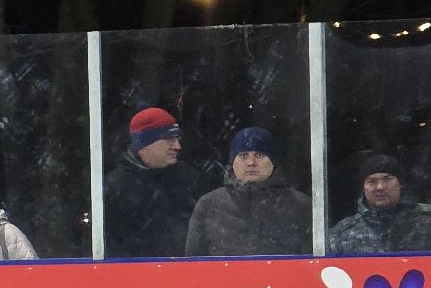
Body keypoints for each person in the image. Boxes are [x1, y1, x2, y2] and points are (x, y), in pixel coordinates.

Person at [184, 127, 311, 256]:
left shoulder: (300, 205)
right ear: (232, 163)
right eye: (243, 156)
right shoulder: (209, 205)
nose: (251, 162)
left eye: (259, 155)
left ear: (273, 161)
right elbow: (192, 264)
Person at [103, 107, 205, 258]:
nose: (178, 146)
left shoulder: (189, 179)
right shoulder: (113, 186)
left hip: (185, 274)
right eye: (169, 140)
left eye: (178, 139)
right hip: (133, 276)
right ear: (145, 143)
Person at [326, 154, 431, 255]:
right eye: (371, 181)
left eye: (387, 179)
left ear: (400, 184)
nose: (380, 187)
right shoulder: (341, 234)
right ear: (364, 188)